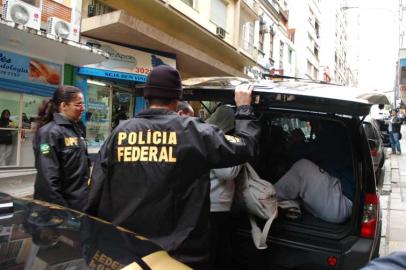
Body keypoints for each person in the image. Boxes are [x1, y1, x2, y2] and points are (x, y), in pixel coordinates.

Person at [85, 65, 260, 269]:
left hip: (125, 254)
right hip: (179, 257)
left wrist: (90, 241)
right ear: (177, 97)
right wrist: (244, 109)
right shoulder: (194, 131)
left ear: (147, 96)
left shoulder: (120, 132)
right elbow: (246, 147)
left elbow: (95, 188)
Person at [274, 119, 354, 223]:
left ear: (320, 123)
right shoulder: (333, 137)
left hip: (340, 202)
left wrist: (298, 142)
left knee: (302, 167)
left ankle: (265, 199)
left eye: (312, 122)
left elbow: (304, 155)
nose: (311, 125)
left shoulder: (331, 138)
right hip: (336, 201)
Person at [33, 86, 90, 211]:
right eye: (78, 104)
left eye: (83, 104)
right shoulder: (49, 133)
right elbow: (48, 180)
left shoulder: (76, 129)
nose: (83, 108)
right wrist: (63, 212)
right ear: (64, 106)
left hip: (79, 205)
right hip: (62, 211)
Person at [206, 105, 243, 269]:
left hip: (218, 205)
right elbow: (229, 172)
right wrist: (242, 148)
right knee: (217, 252)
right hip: (213, 207)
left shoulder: (211, 136)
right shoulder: (214, 140)